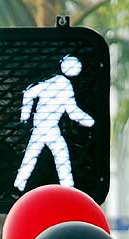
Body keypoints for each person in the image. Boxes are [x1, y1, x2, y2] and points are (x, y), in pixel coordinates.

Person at [14, 55, 94, 192]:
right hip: (44, 127)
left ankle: (20, 184)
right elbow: (29, 93)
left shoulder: (64, 85)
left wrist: (89, 121)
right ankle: (67, 188)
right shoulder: (57, 83)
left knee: (46, 154)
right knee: (56, 154)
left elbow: (71, 111)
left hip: (49, 127)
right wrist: (24, 116)